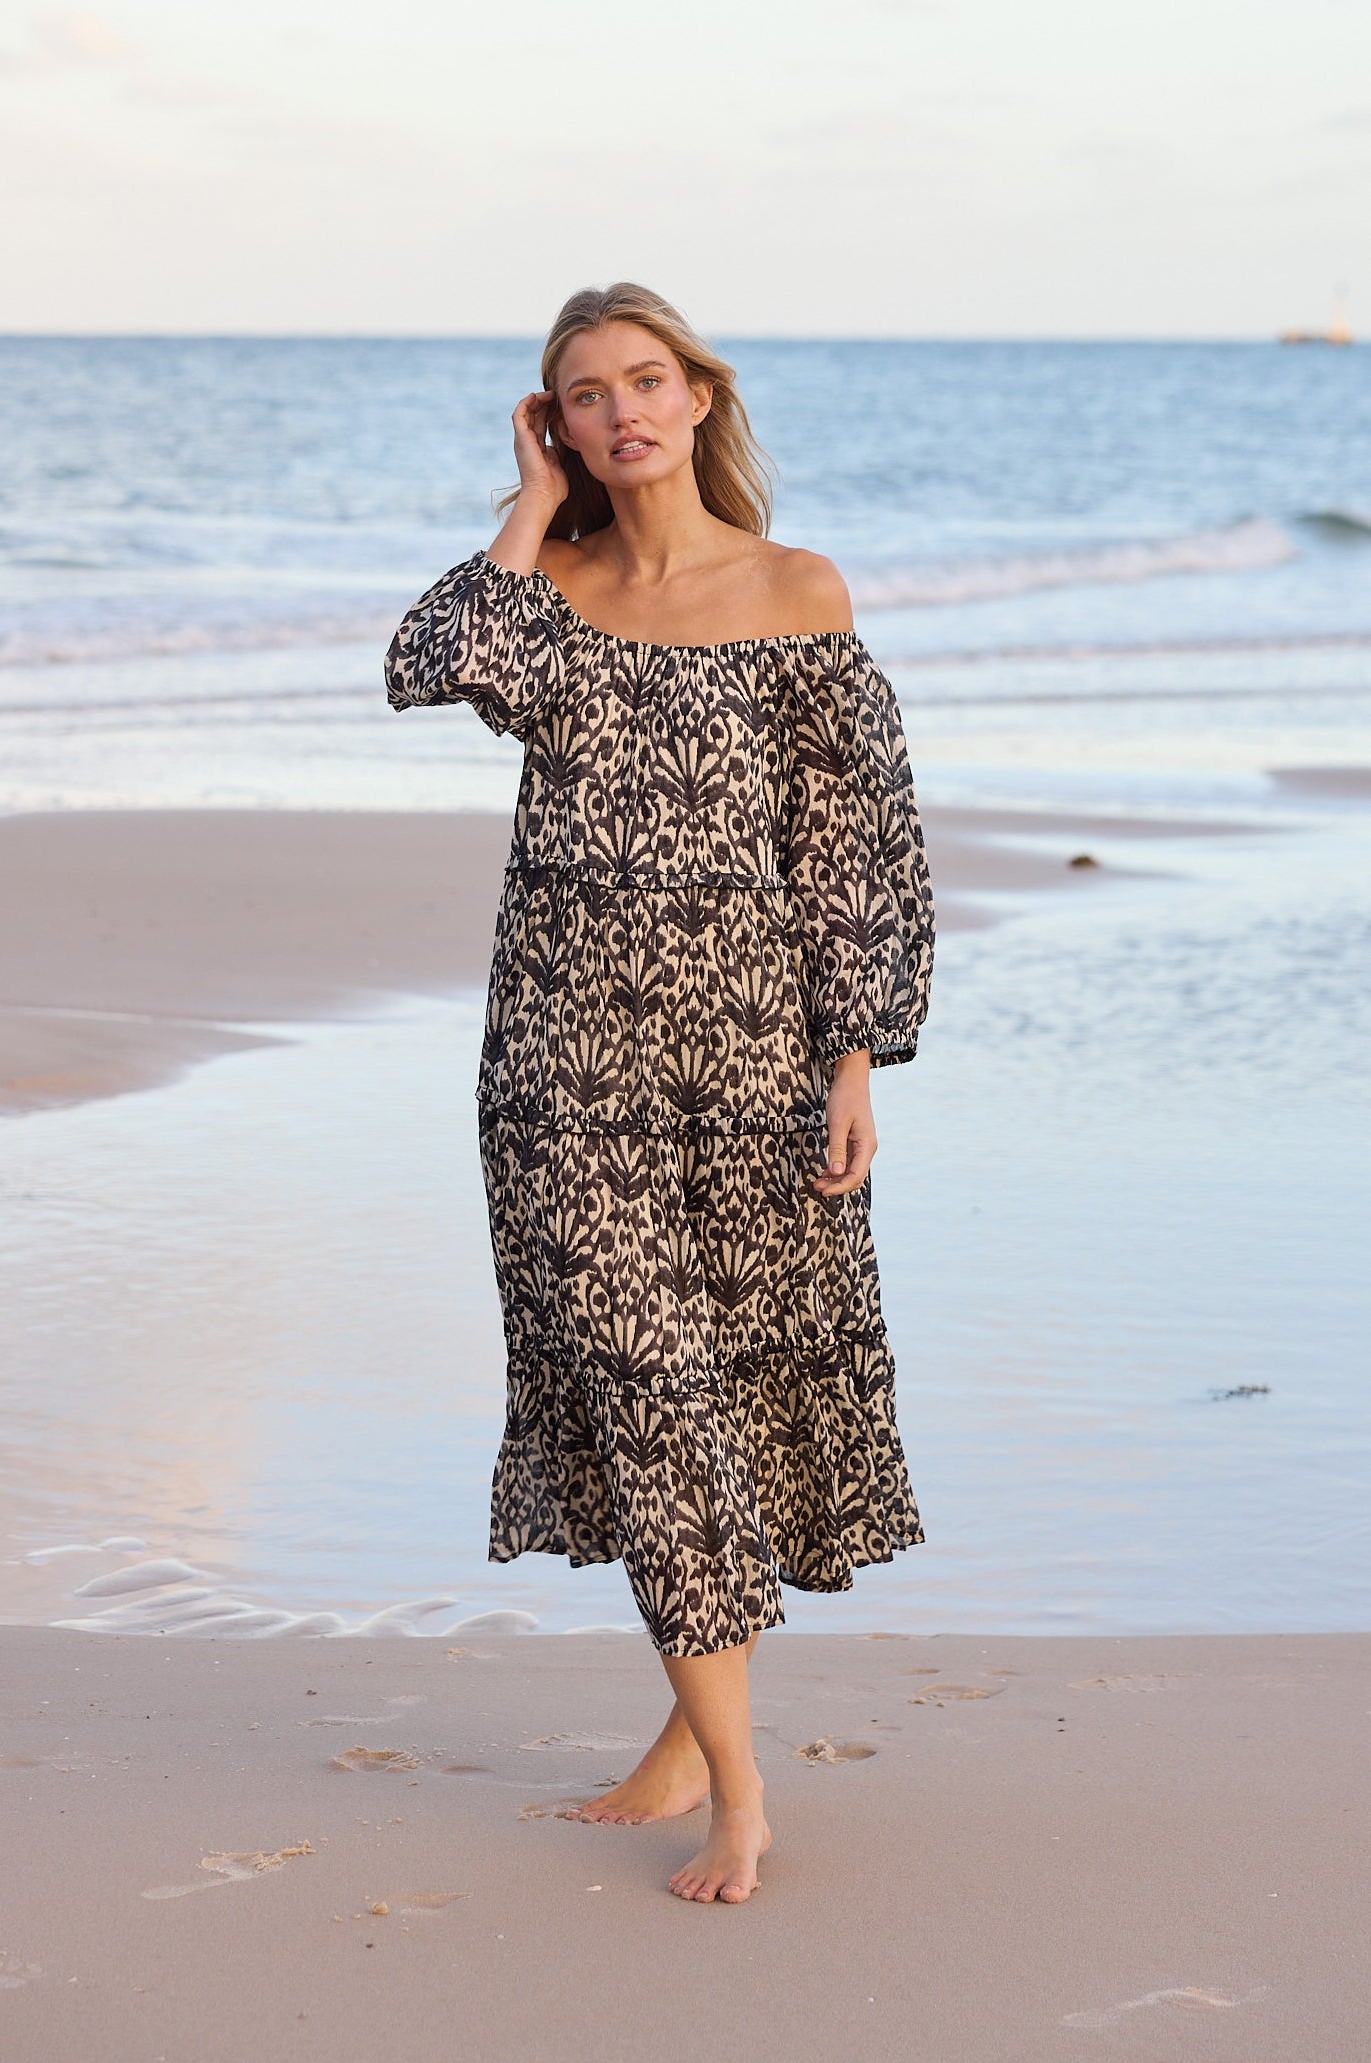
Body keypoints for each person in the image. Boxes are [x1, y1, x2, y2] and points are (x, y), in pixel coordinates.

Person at [385, 282, 935, 1905]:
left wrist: (856, 1060)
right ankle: (744, 1793)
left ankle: (687, 1732)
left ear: (697, 396)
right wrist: (525, 510)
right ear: (553, 424)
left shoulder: (796, 590)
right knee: (643, 1385)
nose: (620, 410)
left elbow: (856, 847)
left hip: (754, 1060)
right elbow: (425, 665)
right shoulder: (541, 596)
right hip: (559, 1062)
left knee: (734, 1390)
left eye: (643, 380)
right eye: (581, 395)